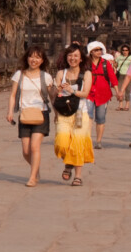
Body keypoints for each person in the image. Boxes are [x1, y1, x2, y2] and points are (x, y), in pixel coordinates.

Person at [6, 45, 54, 186]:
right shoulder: (19, 75)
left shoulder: (46, 77)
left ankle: (32, 177)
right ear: (27, 58)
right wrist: (10, 111)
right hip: (25, 114)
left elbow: (52, 97)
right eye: (31, 56)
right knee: (26, 151)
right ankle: (35, 169)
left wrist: (58, 113)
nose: (34, 60)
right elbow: (13, 95)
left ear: (42, 60)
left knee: (34, 147)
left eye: (37, 57)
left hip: (41, 113)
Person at [53, 43, 95, 186]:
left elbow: (85, 93)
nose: (73, 58)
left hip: (80, 113)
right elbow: (55, 95)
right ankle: (68, 162)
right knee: (61, 143)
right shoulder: (61, 73)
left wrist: (72, 91)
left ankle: (78, 176)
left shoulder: (86, 74)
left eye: (76, 55)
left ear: (81, 58)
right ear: (66, 57)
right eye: (70, 55)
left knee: (78, 143)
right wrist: (58, 89)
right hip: (64, 113)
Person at [84, 42, 117, 149]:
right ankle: (87, 139)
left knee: (100, 118)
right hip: (88, 92)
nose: (99, 52)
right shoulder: (86, 63)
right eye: (96, 50)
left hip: (103, 93)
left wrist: (118, 91)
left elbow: (112, 77)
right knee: (88, 116)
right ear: (91, 52)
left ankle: (98, 141)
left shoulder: (105, 63)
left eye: (100, 50)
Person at [113, 44, 131, 109]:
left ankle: (127, 105)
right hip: (121, 74)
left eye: (126, 50)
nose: (124, 51)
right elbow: (115, 64)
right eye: (123, 50)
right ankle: (120, 104)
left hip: (129, 75)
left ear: (129, 51)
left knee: (128, 90)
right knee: (120, 90)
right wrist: (114, 65)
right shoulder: (119, 57)